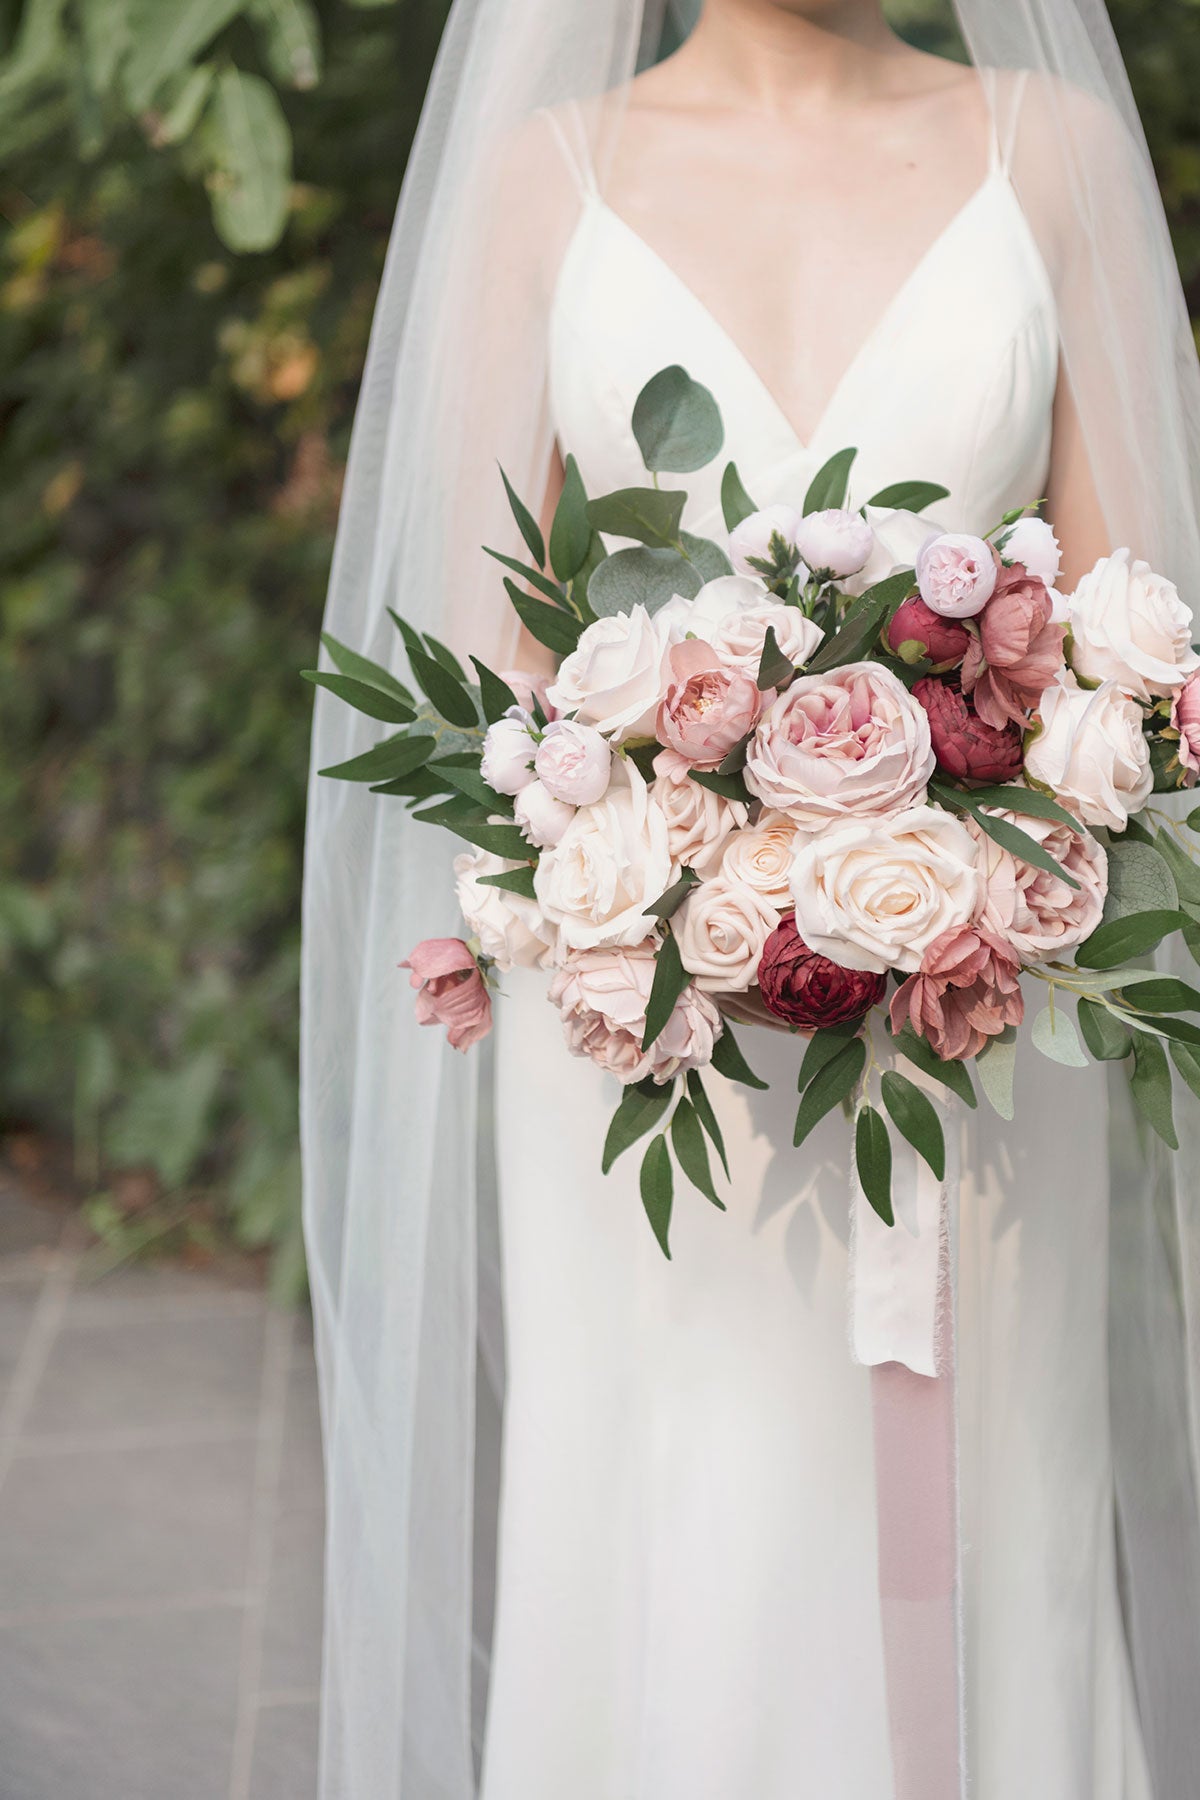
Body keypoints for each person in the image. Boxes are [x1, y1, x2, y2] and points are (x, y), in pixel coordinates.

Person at [302, 3, 1200, 1796]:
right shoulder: (535, 182)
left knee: (986, 1553)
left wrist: (966, 852)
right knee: (670, 1549)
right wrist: (674, 849)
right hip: (642, 1033)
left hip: (975, 1034)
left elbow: (1142, 667)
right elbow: (486, 697)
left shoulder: (1058, 158)